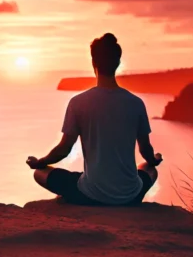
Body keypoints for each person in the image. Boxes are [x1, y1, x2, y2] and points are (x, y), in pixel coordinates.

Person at [26, 33, 162, 206]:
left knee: (39, 173)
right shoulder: (136, 103)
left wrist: (41, 161)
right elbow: (145, 149)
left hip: (90, 195)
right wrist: (154, 159)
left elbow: (64, 149)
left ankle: (73, 197)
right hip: (130, 196)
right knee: (149, 170)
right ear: (118, 63)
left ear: (93, 63)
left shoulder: (78, 103)